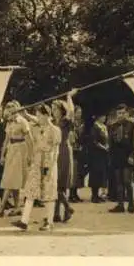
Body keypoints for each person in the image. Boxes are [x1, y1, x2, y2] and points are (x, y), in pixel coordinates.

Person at [12, 104, 60, 231]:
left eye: (39, 115)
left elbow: (56, 150)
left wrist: (52, 166)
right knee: (31, 189)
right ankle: (24, 220)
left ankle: (49, 222)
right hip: (37, 161)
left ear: (45, 115)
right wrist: (25, 115)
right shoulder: (37, 128)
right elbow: (31, 121)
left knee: (49, 192)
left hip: (48, 162)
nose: (37, 117)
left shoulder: (55, 130)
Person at [0, 101, 31, 217]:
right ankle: (17, 207)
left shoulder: (23, 122)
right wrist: (2, 155)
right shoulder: (9, 123)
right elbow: (6, 140)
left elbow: (30, 139)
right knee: (13, 180)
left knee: (10, 179)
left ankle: (2, 207)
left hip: (20, 150)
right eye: (8, 109)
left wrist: (30, 154)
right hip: (11, 150)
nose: (10, 111)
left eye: (12, 109)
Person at [51, 91, 77, 223]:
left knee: (59, 184)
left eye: (55, 109)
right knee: (56, 183)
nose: (53, 111)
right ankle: (58, 213)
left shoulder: (65, 121)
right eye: (52, 109)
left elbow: (71, 111)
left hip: (63, 152)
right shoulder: (52, 122)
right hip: (55, 151)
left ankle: (67, 207)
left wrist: (69, 97)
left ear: (61, 110)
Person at [108, 104, 134, 213]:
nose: (121, 115)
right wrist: (110, 157)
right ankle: (120, 205)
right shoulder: (112, 126)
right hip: (116, 156)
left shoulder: (132, 125)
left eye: (123, 113)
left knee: (127, 181)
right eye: (119, 113)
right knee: (119, 182)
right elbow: (110, 143)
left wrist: (132, 156)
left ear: (127, 113)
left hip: (127, 155)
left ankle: (131, 204)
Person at [88, 114, 109, 203]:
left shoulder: (104, 126)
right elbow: (94, 141)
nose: (104, 117)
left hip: (103, 154)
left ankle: (98, 195)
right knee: (95, 174)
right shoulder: (95, 127)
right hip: (96, 154)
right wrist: (103, 147)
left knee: (101, 173)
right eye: (102, 116)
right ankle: (94, 195)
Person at [69, 105, 85, 203]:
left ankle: (75, 193)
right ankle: (71, 194)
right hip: (73, 149)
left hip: (79, 149)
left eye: (80, 112)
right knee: (73, 173)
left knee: (78, 172)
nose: (79, 114)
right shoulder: (71, 124)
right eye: (78, 112)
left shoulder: (80, 123)